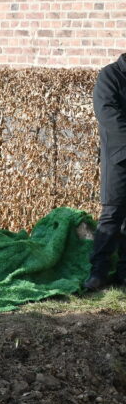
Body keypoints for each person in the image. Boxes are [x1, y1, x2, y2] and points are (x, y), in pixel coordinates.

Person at [86, 54, 126, 291]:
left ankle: (124, 273)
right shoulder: (110, 76)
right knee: (112, 214)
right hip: (119, 157)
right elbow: (108, 116)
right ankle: (98, 273)